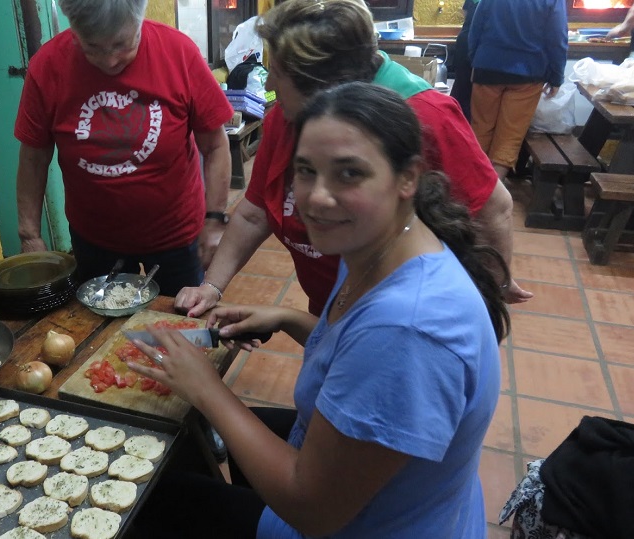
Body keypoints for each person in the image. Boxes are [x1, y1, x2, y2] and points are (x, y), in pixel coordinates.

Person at [131, 81, 508, 538]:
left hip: (360, 524)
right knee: (193, 444)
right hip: (382, 494)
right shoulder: (382, 245)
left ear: (408, 177)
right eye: (306, 171)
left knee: (152, 499)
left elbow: (313, 511)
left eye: (349, 173)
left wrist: (207, 388)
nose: (316, 197)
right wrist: (291, 320)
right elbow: (361, 359)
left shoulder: (408, 329)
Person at [175, 0, 530, 318]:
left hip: (400, 314)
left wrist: (490, 292)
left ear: (321, 88)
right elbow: (254, 213)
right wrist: (213, 287)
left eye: (277, 74)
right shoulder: (287, 117)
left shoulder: (427, 117)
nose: (271, 83)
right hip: (335, 306)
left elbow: (494, 207)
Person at [14, 0, 234, 295]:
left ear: (139, 21)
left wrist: (215, 219)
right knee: (103, 331)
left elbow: (216, 145)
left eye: (122, 44)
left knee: (178, 329)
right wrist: (30, 235)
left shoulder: (179, 53)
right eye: (92, 46)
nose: (109, 60)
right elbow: (34, 157)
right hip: (95, 241)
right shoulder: (48, 65)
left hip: (177, 237)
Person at [468, 0, 568, 183]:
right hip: (528, 72)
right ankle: (492, 191)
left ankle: (473, 184)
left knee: (480, 128)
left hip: (487, 67)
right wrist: (556, 75)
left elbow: (476, 27)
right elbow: (558, 38)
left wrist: (476, 59)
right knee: (510, 135)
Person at [450, 0, 481, 120]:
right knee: (470, 90)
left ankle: (454, 119)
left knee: (461, 85)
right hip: (475, 44)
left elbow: (465, 13)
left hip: (465, 41)